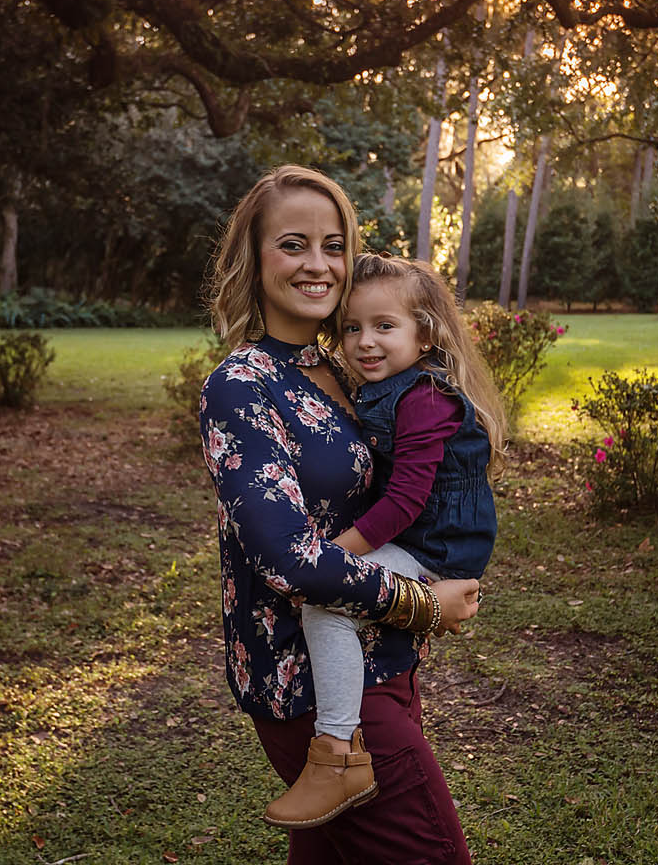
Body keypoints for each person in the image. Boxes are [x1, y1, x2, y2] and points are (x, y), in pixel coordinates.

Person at [199, 165, 479, 864]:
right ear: (253, 259)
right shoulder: (242, 385)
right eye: (293, 244)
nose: (319, 264)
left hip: (376, 660)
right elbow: (289, 558)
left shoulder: (345, 366)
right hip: (304, 683)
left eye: (334, 244)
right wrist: (420, 604)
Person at [262, 253, 505, 831]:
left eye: (384, 326)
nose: (365, 342)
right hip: (423, 535)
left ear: (426, 334)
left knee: (329, 606)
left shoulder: (422, 397)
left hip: (436, 547)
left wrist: (334, 555)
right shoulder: (382, 387)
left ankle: (337, 753)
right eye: (352, 328)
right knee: (333, 603)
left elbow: (406, 502)